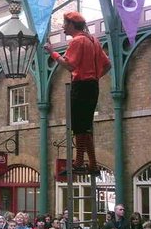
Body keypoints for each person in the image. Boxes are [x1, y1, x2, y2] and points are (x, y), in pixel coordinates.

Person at [44, 11, 111, 174]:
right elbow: (108, 65)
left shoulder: (77, 41)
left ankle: (79, 161)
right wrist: (95, 77)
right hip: (92, 86)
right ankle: (92, 164)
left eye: (65, 24)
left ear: (72, 25)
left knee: (79, 127)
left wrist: (51, 52)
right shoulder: (94, 41)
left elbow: (69, 65)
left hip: (81, 86)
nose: (63, 27)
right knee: (84, 127)